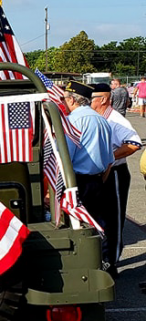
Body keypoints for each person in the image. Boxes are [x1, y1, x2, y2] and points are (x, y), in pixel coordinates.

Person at [90, 84, 141, 275]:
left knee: (114, 219)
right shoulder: (98, 118)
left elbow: (134, 143)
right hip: (100, 173)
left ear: (103, 99)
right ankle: (103, 258)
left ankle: (111, 262)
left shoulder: (115, 120)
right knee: (101, 217)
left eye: (91, 98)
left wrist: (110, 157)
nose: (88, 102)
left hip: (116, 173)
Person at [62, 81, 115, 237]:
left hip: (76, 182)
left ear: (71, 99)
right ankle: (103, 259)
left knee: (79, 230)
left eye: (64, 98)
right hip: (97, 181)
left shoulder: (72, 121)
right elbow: (109, 161)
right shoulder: (102, 120)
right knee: (98, 225)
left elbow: (64, 160)